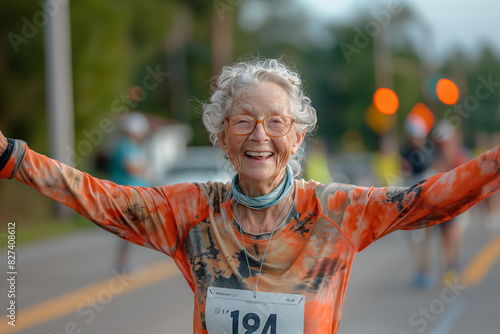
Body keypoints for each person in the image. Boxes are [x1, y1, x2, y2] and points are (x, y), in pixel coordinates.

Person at [0, 58, 499, 334]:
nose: (260, 135)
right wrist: (10, 157)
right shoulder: (191, 212)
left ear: (297, 137)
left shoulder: (337, 211)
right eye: (243, 120)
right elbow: (99, 197)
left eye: (276, 122)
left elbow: (428, 200)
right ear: (222, 137)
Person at [108, 111, 151, 273]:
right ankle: (122, 264)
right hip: (126, 194)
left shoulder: (133, 147)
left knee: (132, 229)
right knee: (128, 229)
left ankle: (124, 262)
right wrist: (144, 168)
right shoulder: (124, 146)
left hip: (135, 193)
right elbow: (130, 167)